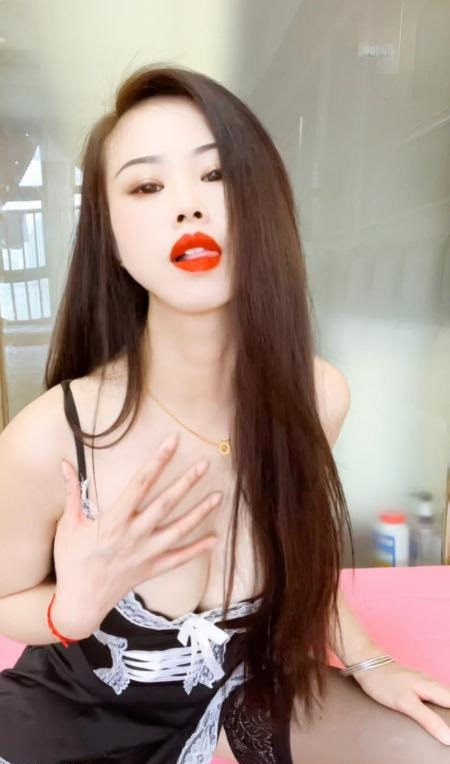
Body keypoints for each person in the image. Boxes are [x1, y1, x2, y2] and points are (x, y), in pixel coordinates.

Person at [0, 63, 449, 764]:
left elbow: (303, 551)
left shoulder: (316, 395)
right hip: (71, 717)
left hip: (241, 696)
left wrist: (372, 663)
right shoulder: (51, 437)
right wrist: (67, 611)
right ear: (110, 235)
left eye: (216, 175)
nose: (188, 207)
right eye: (147, 186)